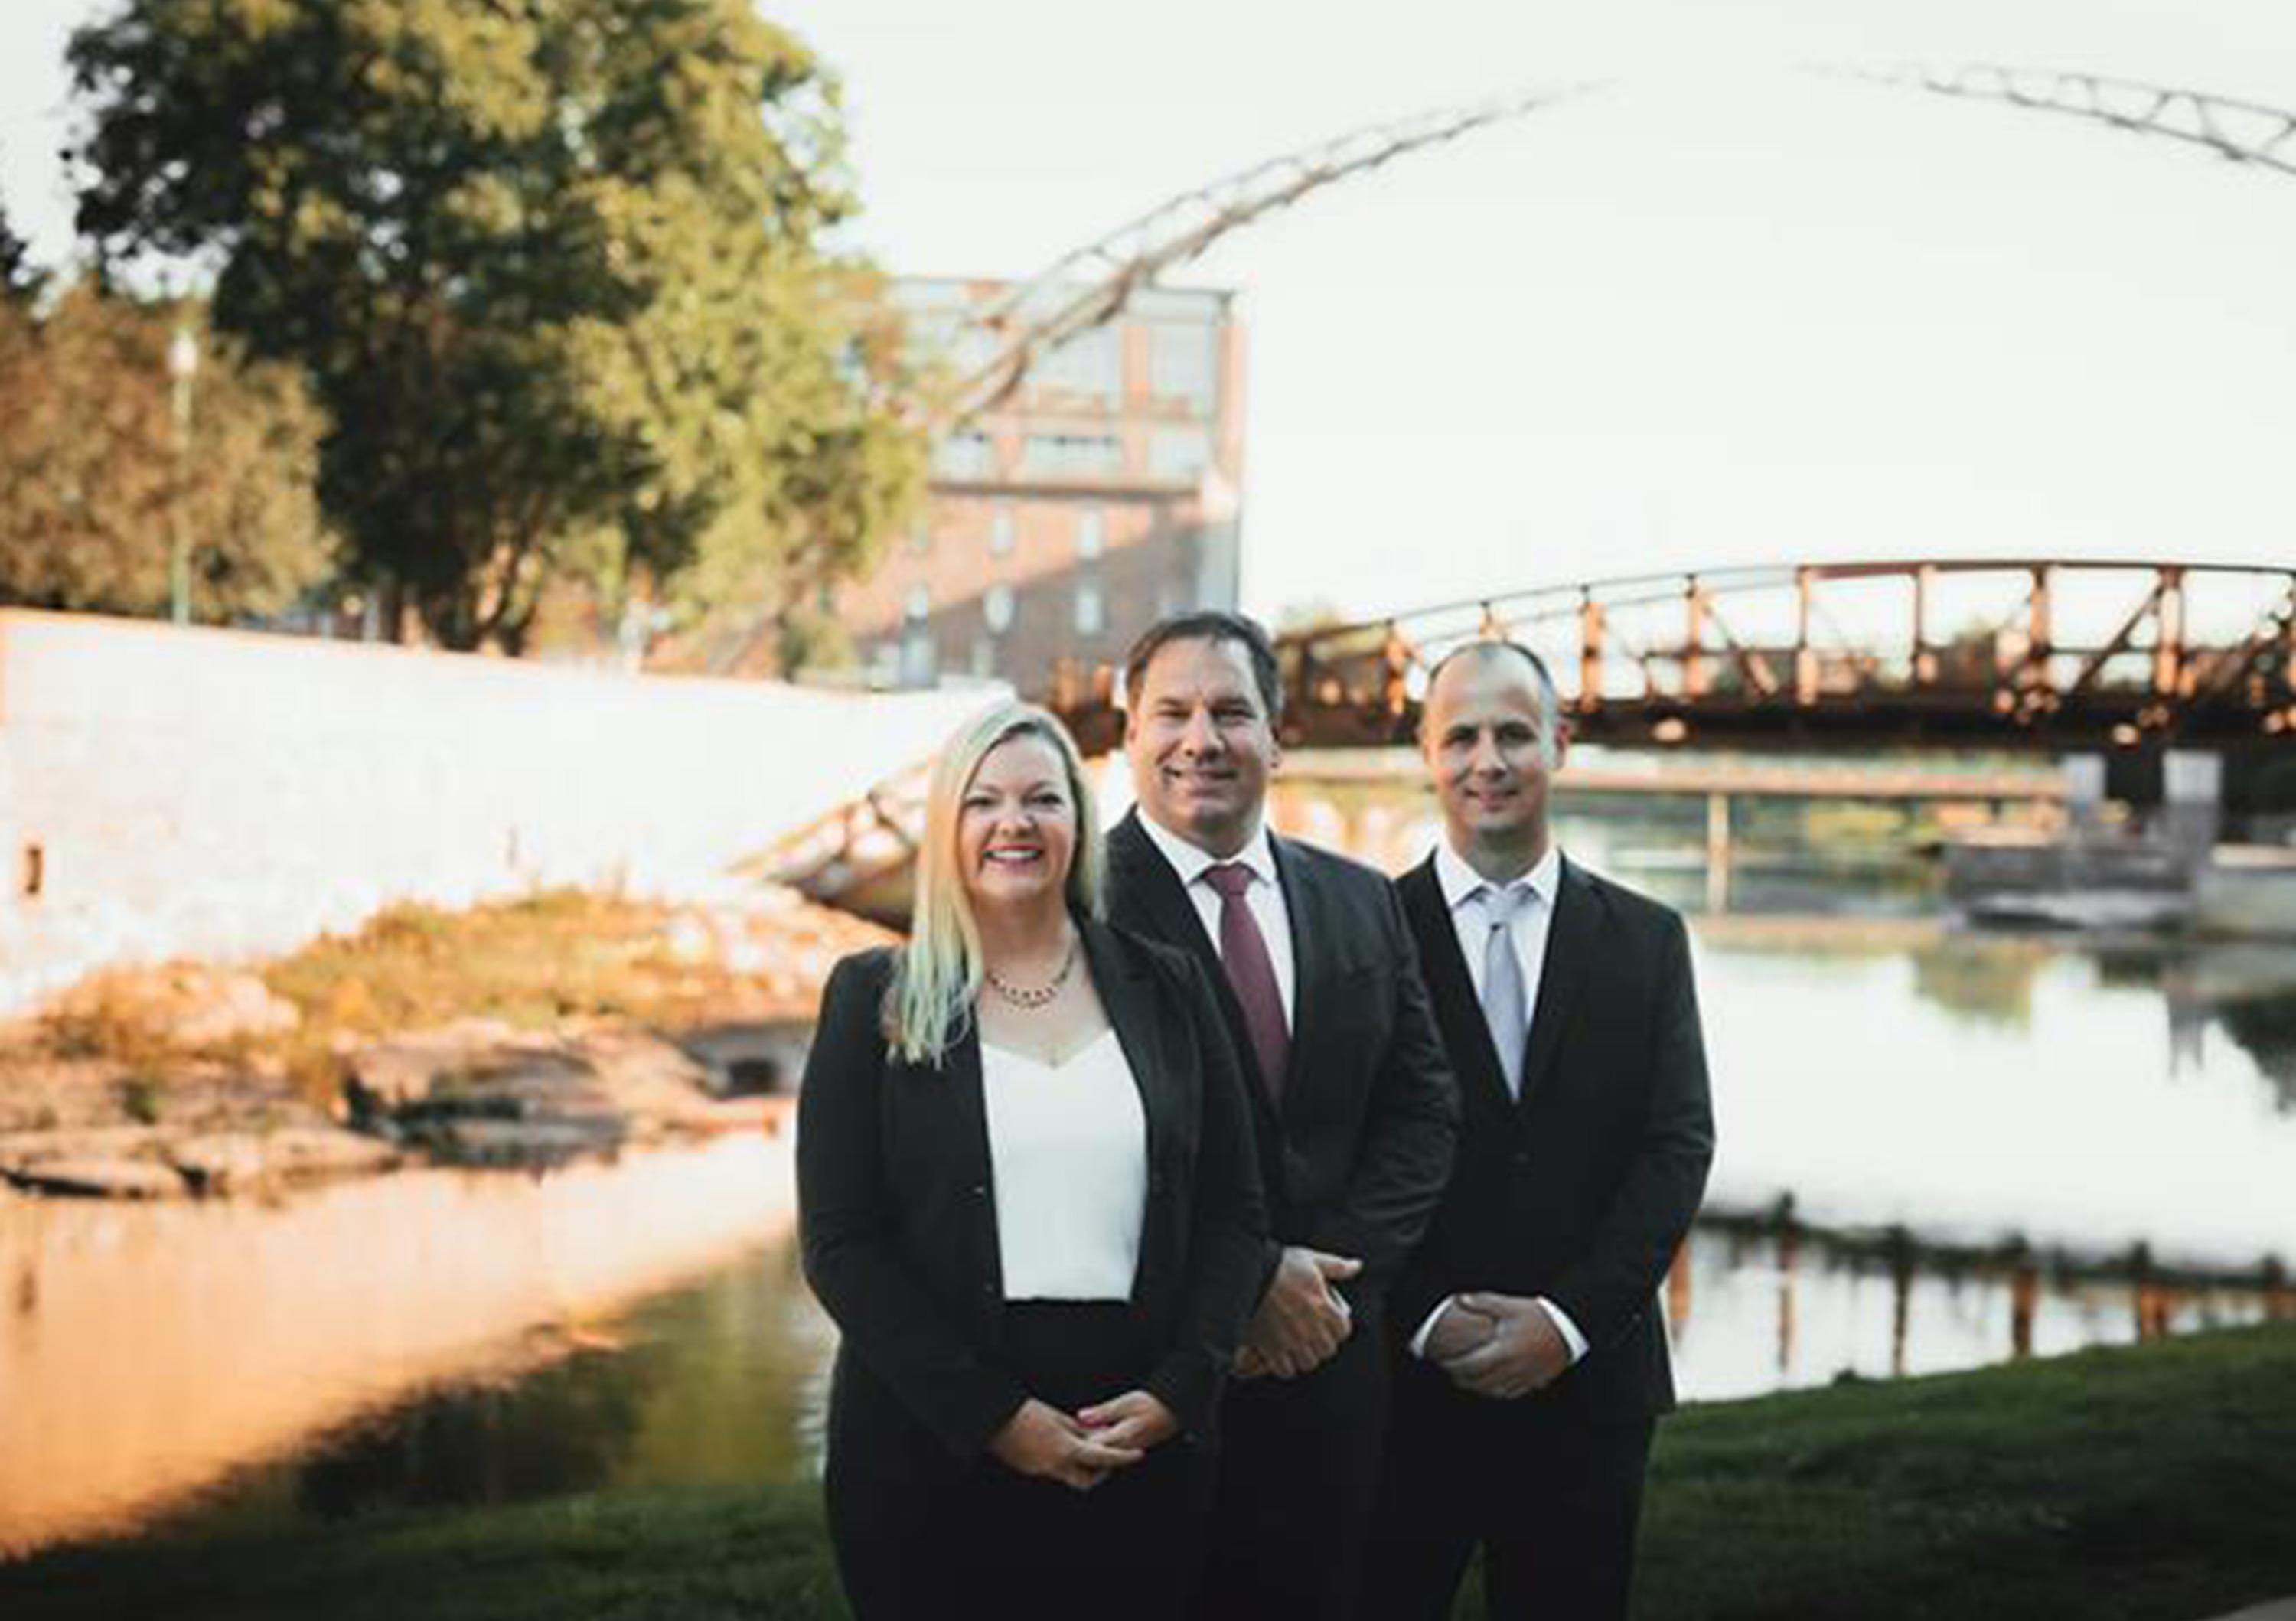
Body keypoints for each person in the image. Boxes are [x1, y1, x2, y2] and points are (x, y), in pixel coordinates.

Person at [797, 700, 1268, 1621]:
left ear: (1078, 824)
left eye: (1043, 800)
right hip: (930, 1448)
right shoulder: (872, 1000)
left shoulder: (1170, 984)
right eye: (983, 802)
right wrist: (995, 1419)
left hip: (1140, 1441)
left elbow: (1234, 1212)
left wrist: (1182, 1391)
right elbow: (840, 1246)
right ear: (947, 826)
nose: (1013, 823)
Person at [1101, 609, 1457, 1621]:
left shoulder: (1361, 900)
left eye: (1230, 712)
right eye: (1171, 713)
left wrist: (1323, 1281)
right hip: (1149, 1376)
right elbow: (1091, 1146)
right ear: (1130, 736)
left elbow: (1423, 1110)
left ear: (1277, 736)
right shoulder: (1077, 908)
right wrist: (1253, 1277)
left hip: (1329, 1372)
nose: (1201, 740)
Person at [1364, 640, 1717, 1621]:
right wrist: (1424, 1316)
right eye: (1462, 737)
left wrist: (1565, 1325)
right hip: (1405, 1388)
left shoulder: (1647, 939)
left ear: (1559, 743)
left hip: (1591, 1391)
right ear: (1427, 753)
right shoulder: (1365, 930)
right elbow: (1339, 1154)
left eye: (1514, 734)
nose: (1489, 761)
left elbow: (1676, 1146)